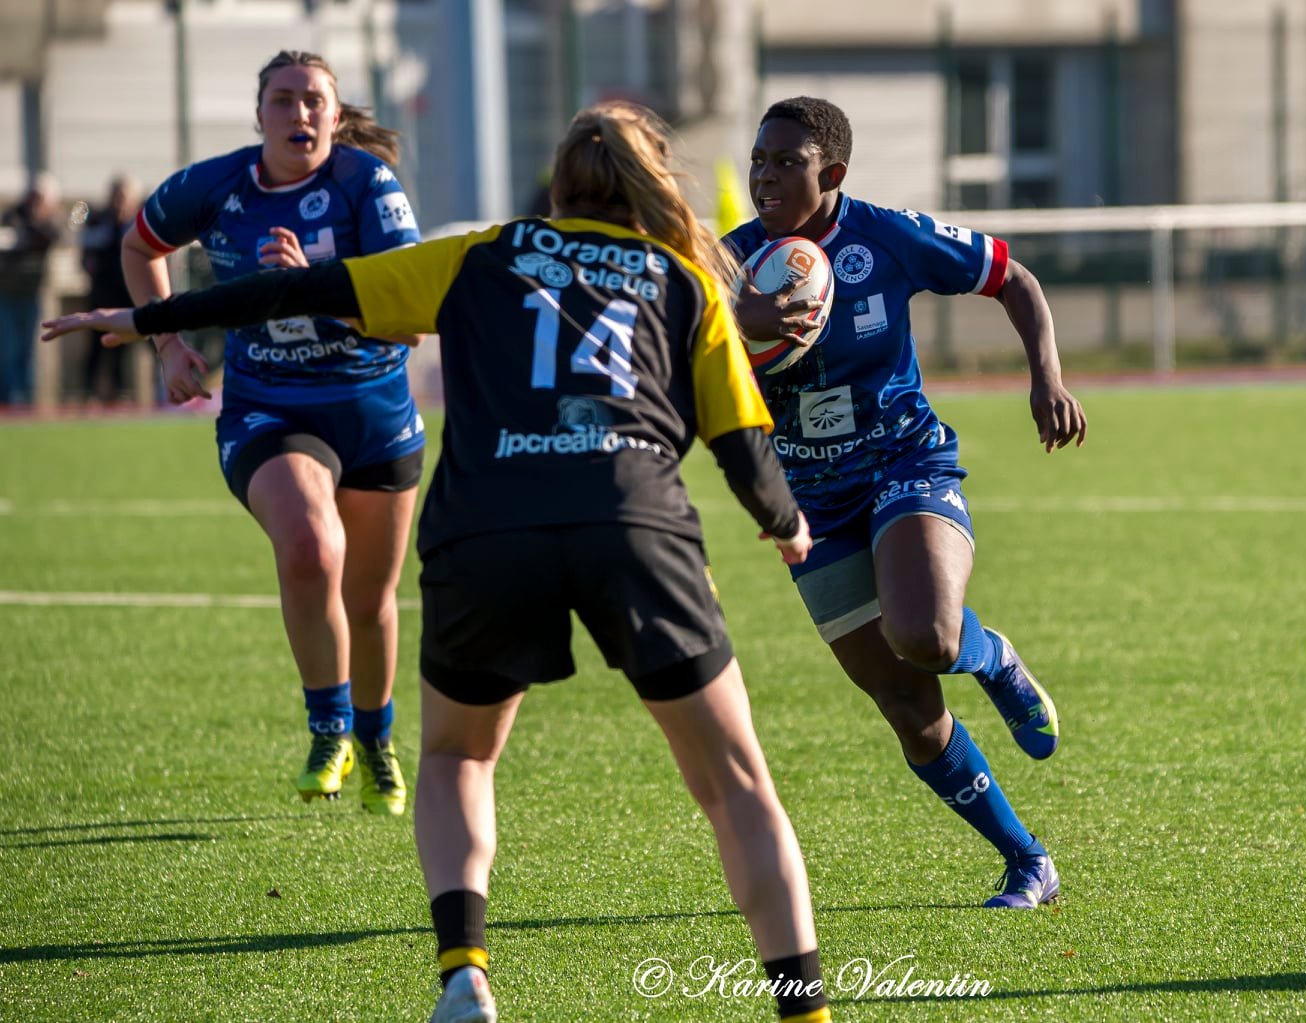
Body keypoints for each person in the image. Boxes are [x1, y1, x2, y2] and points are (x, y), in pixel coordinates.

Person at [45, 100, 833, 1023]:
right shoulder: (683, 278)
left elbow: (296, 293)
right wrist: (784, 522)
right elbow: (744, 444)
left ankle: (465, 971)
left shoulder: (478, 254)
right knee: (736, 782)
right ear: (652, 179)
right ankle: (805, 1009)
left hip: (487, 525)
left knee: (459, 754)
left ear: (559, 178)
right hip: (632, 522)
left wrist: (154, 318)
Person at [724, 97, 1087, 909]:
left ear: (833, 174)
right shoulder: (730, 265)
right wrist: (727, 317)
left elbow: (1012, 278)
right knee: (909, 709)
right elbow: (676, 352)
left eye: (786, 161)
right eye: (759, 159)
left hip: (904, 463)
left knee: (925, 635)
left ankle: (992, 656)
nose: (765, 175)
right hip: (809, 502)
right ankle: (1028, 860)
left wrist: (1047, 378)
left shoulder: (885, 236)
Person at [120, 50, 426, 814]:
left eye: (315, 101)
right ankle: (329, 730)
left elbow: (410, 315)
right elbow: (138, 245)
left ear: (335, 111)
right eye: (284, 101)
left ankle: (377, 738)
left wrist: (315, 289)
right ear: (259, 115)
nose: (301, 115)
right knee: (310, 547)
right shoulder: (215, 186)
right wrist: (168, 344)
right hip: (269, 405)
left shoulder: (367, 185)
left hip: (373, 410)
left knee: (371, 598)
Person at [0, 174, 63, 406]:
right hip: (7, 292)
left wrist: (34, 228)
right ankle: (9, 398)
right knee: (8, 348)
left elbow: (54, 236)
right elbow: (10, 237)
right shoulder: (14, 215)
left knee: (29, 349)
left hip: (32, 293)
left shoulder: (50, 221)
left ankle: (27, 399)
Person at [79, 175, 142, 403]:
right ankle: (89, 393)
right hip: (102, 295)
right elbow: (85, 255)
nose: (119, 202)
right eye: (116, 196)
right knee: (95, 345)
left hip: (126, 295)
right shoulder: (97, 220)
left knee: (122, 346)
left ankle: (120, 393)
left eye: (123, 197)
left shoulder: (138, 223)